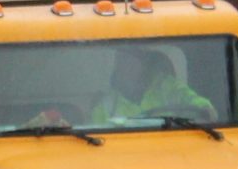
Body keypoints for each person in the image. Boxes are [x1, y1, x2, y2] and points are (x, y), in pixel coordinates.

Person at [89, 49, 217, 124]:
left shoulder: (166, 86)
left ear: (144, 65)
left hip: (173, 150)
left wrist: (205, 108)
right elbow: (96, 143)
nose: (127, 66)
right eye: (123, 61)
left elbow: (191, 99)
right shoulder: (105, 106)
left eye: (134, 60)